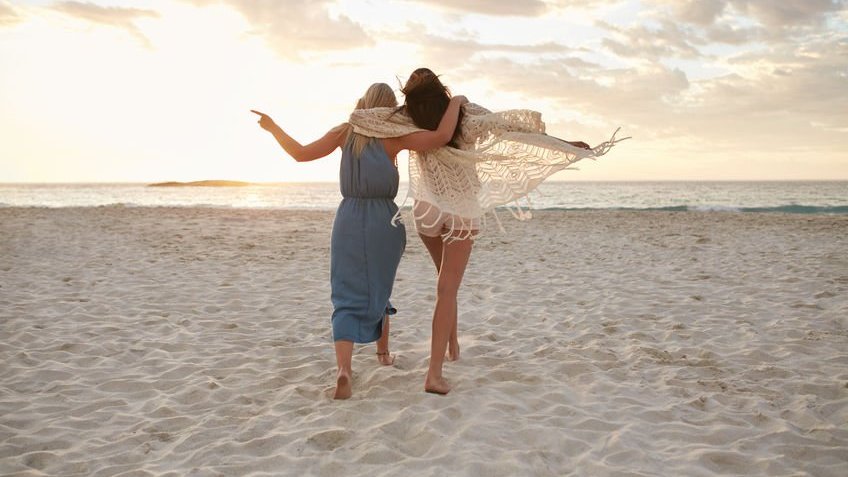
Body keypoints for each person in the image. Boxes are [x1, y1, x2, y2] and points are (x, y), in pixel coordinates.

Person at [348, 69, 627, 395]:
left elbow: (360, 117)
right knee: (447, 289)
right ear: (442, 90)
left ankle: (452, 347)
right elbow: (512, 129)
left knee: (443, 282)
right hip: (461, 208)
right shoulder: (464, 112)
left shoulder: (404, 118)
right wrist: (565, 144)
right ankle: (434, 375)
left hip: (427, 208)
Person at [252, 83, 467, 399]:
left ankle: (344, 369)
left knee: (345, 291)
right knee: (379, 285)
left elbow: (299, 154)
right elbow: (441, 138)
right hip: (384, 220)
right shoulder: (392, 135)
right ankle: (383, 354)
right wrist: (457, 102)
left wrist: (273, 128)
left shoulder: (345, 133)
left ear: (364, 102)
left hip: (349, 218)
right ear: (389, 107)